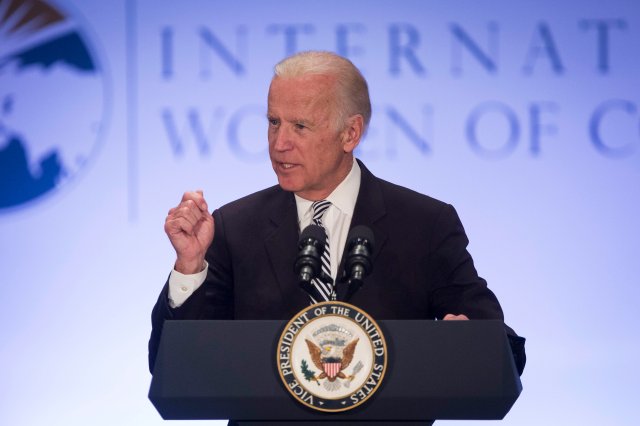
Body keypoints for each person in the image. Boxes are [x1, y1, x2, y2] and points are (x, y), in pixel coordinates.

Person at [149, 51, 525, 375]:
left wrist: (470, 340)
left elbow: (502, 349)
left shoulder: (424, 224)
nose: (279, 143)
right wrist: (190, 268)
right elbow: (176, 364)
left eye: (300, 126)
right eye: (273, 122)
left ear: (350, 134)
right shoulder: (235, 226)